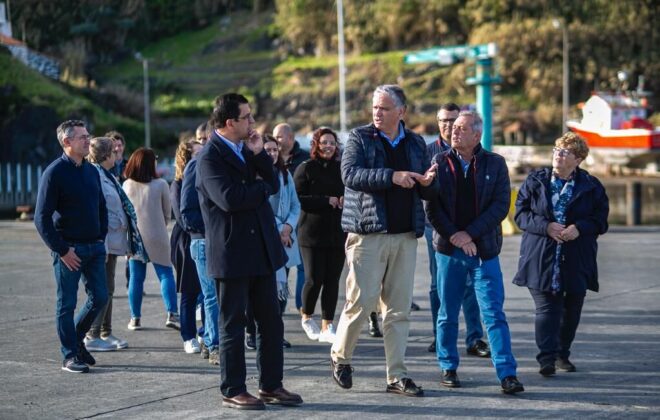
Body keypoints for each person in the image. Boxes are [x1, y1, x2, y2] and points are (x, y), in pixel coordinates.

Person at [196, 93, 302, 410]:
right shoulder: (210, 157)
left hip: (261, 251)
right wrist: (257, 188)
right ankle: (233, 388)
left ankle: (271, 385)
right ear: (231, 122)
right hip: (232, 254)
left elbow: (272, 183)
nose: (253, 122)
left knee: (271, 322)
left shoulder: (247, 150)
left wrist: (258, 157)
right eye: (247, 117)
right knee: (233, 324)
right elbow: (231, 199)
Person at [330, 84, 437, 397]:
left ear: (401, 112)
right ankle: (340, 356)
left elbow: (425, 189)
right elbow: (350, 175)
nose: (377, 113)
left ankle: (397, 376)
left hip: (405, 236)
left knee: (398, 309)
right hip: (368, 234)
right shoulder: (360, 138)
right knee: (361, 303)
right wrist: (392, 176)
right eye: (375, 107)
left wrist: (428, 183)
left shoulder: (417, 142)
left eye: (384, 108)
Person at [425, 111, 524, 394]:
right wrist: (456, 236)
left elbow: (500, 206)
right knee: (447, 313)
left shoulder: (495, 163)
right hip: (449, 251)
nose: (454, 132)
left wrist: (470, 234)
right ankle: (448, 367)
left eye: (461, 128)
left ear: (477, 134)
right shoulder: (439, 162)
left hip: (484, 252)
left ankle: (507, 374)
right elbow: (431, 207)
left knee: (493, 313)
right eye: (453, 127)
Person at [513, 132, 608, 376]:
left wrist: (580, 228)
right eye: (557, 149)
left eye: (565, 151)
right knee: (548, 308)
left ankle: (562, 354)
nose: (559, 154)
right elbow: (521, 215)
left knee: (572, 308)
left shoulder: (592, 186)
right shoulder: (535, 180)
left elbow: (600, 220)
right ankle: (546, 358)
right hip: (540, 255)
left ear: (578, 159)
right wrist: (545, 226)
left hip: (577, 256)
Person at [34, 120, 109, 373]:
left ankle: (76, 340)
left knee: (100, 297)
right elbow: (41, 218)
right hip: (70, 250)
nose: (88, 141)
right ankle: (69, 356)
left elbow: (101, 206)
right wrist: (62, 250)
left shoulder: (91, 171)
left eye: (88, 136)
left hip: (95, 247)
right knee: (66, 304)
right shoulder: (54, 173)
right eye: (82, 137)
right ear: (66, 142)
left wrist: (101, 237)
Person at [425, 103, 489, 358]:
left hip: (472, 232)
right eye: (443, 120)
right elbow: (426, 195)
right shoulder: (430, 152)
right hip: (439, 230)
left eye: (453, 120)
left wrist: (470, 232)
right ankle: (438, 336)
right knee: (436, 286)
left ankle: (474, 337)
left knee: (471, 286)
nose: (448, 125)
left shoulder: (477, 155)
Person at [84, 137, 147, 352]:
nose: (118, 154)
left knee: (109, 288)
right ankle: (92, 335)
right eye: (114, 151)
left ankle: (105, 331)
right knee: (102, 289)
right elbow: (99, 211)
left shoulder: (106, 175)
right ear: (106, 155)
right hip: (104, 243)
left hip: (112, 242)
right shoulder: (95, 175)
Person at [245, 135, 302, 350]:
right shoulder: (257, 175)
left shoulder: (285, 174)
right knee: (257, 294)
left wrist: (288, 227)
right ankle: (252, 332)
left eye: (274, 150)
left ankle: (276, 332)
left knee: (281, 290)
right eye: (267, 150)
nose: (271, 154)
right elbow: (263, 207)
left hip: (285, 240)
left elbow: (296, 205)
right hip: (265, 240)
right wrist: (280, 229)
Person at [294, 127, 346, 344]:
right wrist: (327, 200)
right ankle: (306, 315)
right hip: (311, 233)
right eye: (324, 142)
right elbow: (299, 199)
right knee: (314, 279)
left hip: (337, 233)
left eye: (332, 143)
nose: (328, 146)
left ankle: (328, 325)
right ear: (316, 144)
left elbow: (352, 191)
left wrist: (344, 199)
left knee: (332, 280)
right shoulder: (305, 168)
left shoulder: (342, 168)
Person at [123, 148, 180, 331]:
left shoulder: (127, 185)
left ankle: (135, 318)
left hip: (135, 238)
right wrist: (159, 226)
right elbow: (167, 213)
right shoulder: (161, 184)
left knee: (136, 278)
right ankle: (172, 313)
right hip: (157, 235)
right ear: (149, 163)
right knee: (165, 275)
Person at [181, 134, 221, 365]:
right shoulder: (196, 165)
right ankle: (214, 345)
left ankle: (209, 339)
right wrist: (210, 229)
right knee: (211, 296)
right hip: (203, 240)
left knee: (219, 296)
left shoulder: (230, 162)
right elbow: (186, 211)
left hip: (224, 240)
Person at [170, 140, 204, 354]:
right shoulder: (178, 184)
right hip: (186, 240)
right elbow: (182, 217)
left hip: (202, 237)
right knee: (189, 292)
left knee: (206, 292)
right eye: (198, 154)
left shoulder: (204, 180)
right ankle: (188, 336)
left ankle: (204, 333)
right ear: (186, 158)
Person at [273, 123, 310, 315]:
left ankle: (302, 305)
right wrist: (283, 227)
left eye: (279, 137)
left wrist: (289, 224)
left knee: (303, 266)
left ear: (291, 137)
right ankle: (279, 307)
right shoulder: (271, 164)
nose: (277, 143)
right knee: (282, 268)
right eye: (274, 138)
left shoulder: (305, 158)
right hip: (278, 226)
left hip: (301, 221)